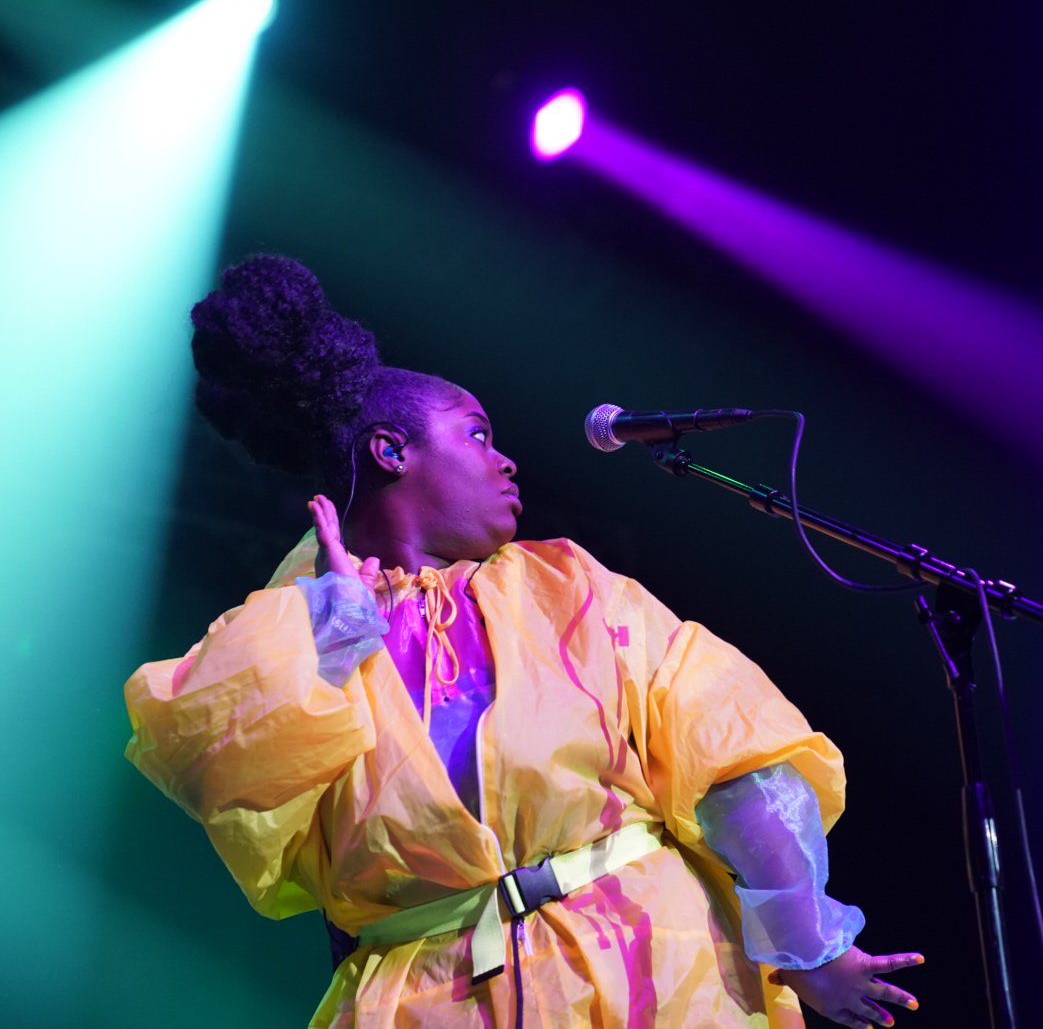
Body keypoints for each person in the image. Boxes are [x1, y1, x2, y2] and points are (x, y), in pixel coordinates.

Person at [125, 255, 923, 1029]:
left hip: (647, 973)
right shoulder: (296, 620)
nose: (505, 460)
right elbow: (209, 759)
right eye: (475, 434)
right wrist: (325, 633)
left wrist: (810, 945)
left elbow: (728, 758)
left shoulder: (566, 585)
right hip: (430, 1001)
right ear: (391, 450)